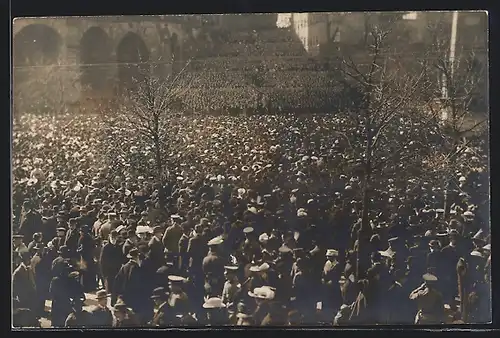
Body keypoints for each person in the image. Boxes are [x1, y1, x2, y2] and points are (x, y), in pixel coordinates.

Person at [99, 230, 124, 306]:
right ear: (109, 237)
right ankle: (110, 304)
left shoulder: (118, 247)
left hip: (117, 271)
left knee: (116, 288)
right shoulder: (106, 248)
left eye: (115, 237)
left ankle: (114, 303)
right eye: (112, 237)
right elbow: (102, 262)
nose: (113, 239)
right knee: (110, 289)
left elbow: (121, 258)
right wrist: (104, 274)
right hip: (109, 272)